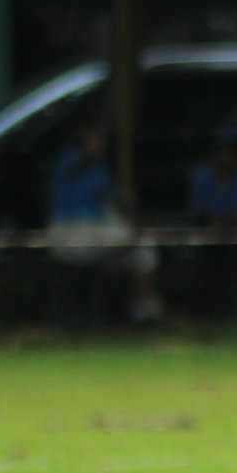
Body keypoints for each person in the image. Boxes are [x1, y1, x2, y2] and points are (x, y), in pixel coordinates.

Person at [46, 122, 161, 324]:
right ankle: (142, 308)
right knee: (138, 240)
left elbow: (118, 202)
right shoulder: (69, 161)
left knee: (143, 248)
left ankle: (143, 310)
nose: (99, 146)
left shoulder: (100, 171)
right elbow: (84, 158)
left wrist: (140, 224)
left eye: (99, 142)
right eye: (94, 141)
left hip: (94, 238)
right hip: (70, 234)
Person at [187, 133, 237, 319]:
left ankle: (236, 311)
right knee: (207, 260)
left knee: (236, 259)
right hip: (207, 231)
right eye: (221, 152)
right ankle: (206, 312)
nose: (225, 157)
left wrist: (223, 225)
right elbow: (199, 213)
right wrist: (214, 225)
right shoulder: (201, 177)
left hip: (233, 233)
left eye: (229, 152)